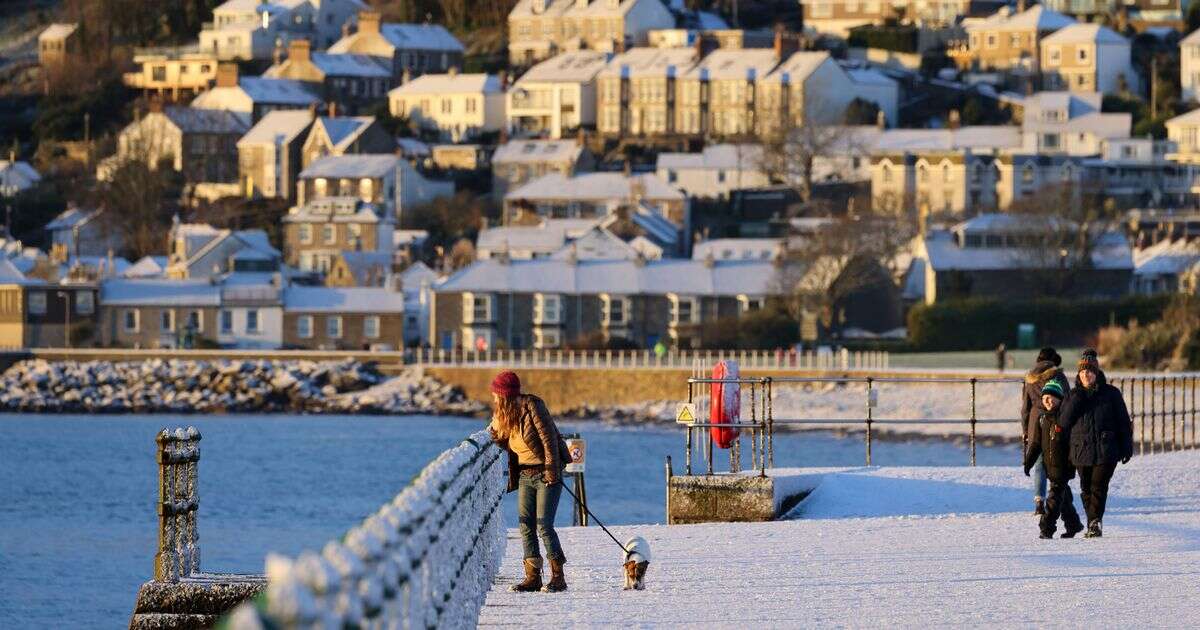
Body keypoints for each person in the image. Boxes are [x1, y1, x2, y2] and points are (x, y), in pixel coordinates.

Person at [487, 370, 572, 592]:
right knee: (525, 525)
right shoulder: (504, 415)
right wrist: (494, 429)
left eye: (496, 394)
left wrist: (552, 471)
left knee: (544, 525)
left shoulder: (532, 406)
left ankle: (558, 577)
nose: (493, 398)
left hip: (545, 471)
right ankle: (532, 577)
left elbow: (549, 439)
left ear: (503, 394)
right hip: (525, 474)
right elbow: (500, 439)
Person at [1057, 349, 1134, 538]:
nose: (1086, 375)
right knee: (1085, 488)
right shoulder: (1073, 395)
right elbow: (1064, 422)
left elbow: (1123, 422)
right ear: (1078, 374)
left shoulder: (1111, 394)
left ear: (1096, 373)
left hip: (1106, 449)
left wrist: (1126, 447)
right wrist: (1077, 398)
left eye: (1090, 371)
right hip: (1080, 449)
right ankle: (1094, 521)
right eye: (1083, 372)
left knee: (1098, 487)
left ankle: (1094, 522)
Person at [1024, 380, 1084, 539]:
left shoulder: (1065, 419)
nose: (1049, 402)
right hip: (1049, 467)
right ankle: (1074, 524)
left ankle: (1046, 528)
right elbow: (1036, 444)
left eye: (1052, 398)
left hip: (1064, 467)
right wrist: (1028, 463)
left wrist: (1075, 462)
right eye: (1045, 399)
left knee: (1054, 499)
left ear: (1060, 399)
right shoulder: (1042, 419)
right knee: (1064, 498)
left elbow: (1074, 442)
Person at [1020, 347, 1069, 515]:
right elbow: (1067, 399)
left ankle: (1039, 501)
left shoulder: (1030, 378)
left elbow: (1025, 408)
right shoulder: (1058, 375)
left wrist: (1025, 430)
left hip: (1035, 422)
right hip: (1055, 420)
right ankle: (1058, 499)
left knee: (1040, 463)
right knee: (1058, 461)